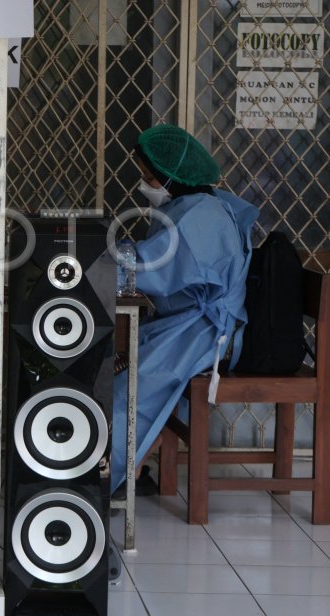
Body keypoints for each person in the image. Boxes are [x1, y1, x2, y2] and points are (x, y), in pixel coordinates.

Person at [110, 125, 258, 493]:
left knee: (132, 388)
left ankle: (102, 476)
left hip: (205, 333)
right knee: (125, 370)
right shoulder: (197, 205)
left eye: (150, 177)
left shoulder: (201, 218)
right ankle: (134, 467)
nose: (145, 184)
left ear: (173, 177)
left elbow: (152, 267)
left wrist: (99, 263)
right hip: (189, 325)